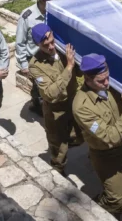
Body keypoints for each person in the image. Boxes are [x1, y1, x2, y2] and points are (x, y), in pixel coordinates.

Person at [72, 54, 122, 218]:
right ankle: (95, 212)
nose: (107, 83)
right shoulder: (82, 106)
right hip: (106, 155)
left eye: (107, 77)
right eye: (101, 81)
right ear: (87, 78)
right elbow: (111, 136)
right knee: (116, 198)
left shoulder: (111, 86)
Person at [28, 23, 83, 175]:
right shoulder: (35, 66)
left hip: (73, 103)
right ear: (38, 45)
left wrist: (77, 60)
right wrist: (69, 67)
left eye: (52, 41)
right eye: (46, 45)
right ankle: (58, 172)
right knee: (58, 148)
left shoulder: (63, 49)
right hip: (55, 111)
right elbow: (49, 94)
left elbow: (79, 74)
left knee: (80, 136)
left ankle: (69, 141)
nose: (51, 47)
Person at [16, 0, 58, 117]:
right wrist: (23, 64)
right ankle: (37, 104)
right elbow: (20, 41)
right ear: (40, 1)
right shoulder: (27, 16)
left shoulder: (55, 12)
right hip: (35, 58)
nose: (53, 3)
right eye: (49, 1)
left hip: (52, 54)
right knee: (39, 85)